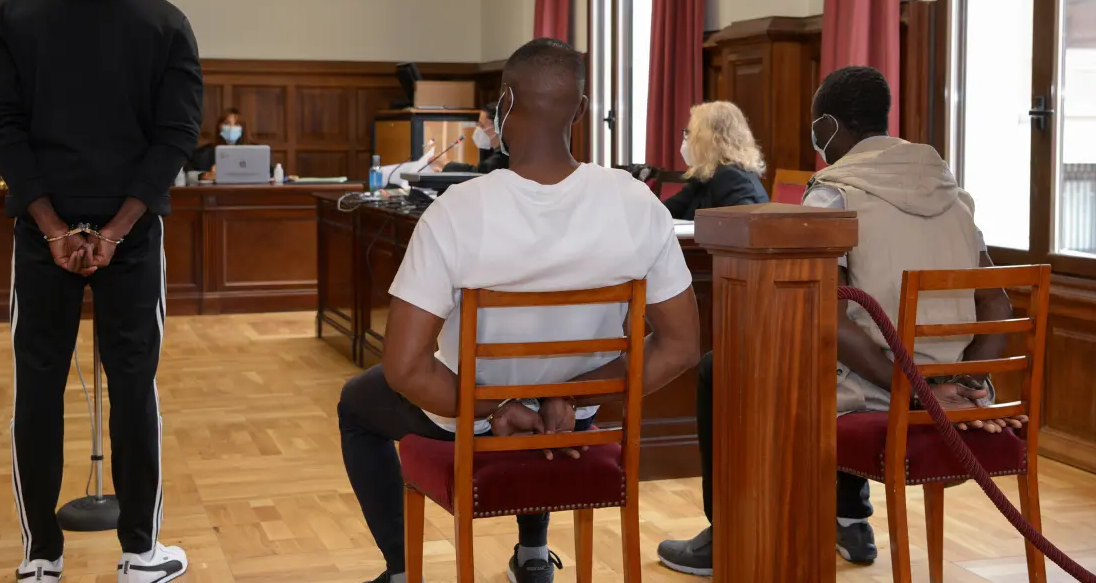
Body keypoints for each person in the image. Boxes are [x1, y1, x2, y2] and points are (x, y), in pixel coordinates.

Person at [338, 38, 701, 583]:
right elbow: (681, 345)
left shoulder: (457, 211)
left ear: (505, 103)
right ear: (580, 110)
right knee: (545, 378)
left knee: (356, 404)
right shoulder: (637, 204)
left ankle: (400, 570)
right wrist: (570, 395)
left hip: (470, 414)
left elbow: (405, 367)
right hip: (572, 418)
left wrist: (496, 408)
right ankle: (533, 554)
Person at [655, 66, 1020, 575]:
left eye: (815, 126)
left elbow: (832, 320)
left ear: (826, 126)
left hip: (884, 389)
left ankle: (728, 534)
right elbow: (997, 305)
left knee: (726, 366)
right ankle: (850, 518)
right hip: (940, 381)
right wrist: (965, 385)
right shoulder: (955, 198)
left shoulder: (833, 193)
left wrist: (920, 392)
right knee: (830, 352)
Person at [0, 0, 203, 583]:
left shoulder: (9, 11)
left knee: (37, 387)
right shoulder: (165, 20)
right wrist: (117, 230)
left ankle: (41, 558)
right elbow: (176, 135)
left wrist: (51, 227)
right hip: (132, 235)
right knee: (135, 387)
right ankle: (140, 554)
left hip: (41, 233)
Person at [661, 100, 768, 219]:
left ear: (709, 139)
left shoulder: (731, 177)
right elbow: (664, 211)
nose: (687, 139)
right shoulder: (706, 176)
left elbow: (742, 226)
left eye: (689, 133)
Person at [440, 100, 510, 173]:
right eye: (478, 124)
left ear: (498, 128)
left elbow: (477, 172)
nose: (478, 129)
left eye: (482, 125)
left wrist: (446, 164)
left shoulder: (500, 161)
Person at [189, 107, 245, 179]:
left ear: (243, 129)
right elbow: (189, 175)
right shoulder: (203, 154)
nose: (231, 127)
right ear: (219, 127)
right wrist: (206, 175)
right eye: (227, 123)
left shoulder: (254, 153)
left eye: (236, 124)